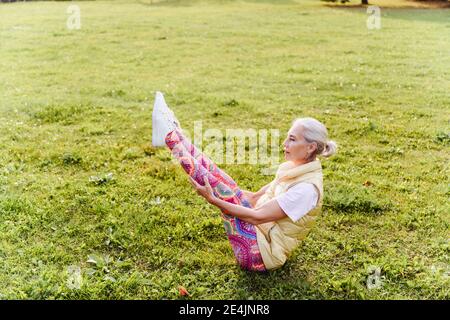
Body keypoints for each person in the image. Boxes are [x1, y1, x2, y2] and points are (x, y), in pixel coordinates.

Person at [152, 92, 337, 271]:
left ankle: (171, 138)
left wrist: (214, 200)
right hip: (261, 233)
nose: (285, 144)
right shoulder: (297, 169)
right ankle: (175, 135)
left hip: (261, 255)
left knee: (227, 195)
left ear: (311, 147)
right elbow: (256, 197)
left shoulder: (306, 189)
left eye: (292, 139)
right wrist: (231, 191)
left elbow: (255, 217)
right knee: (228, 187)